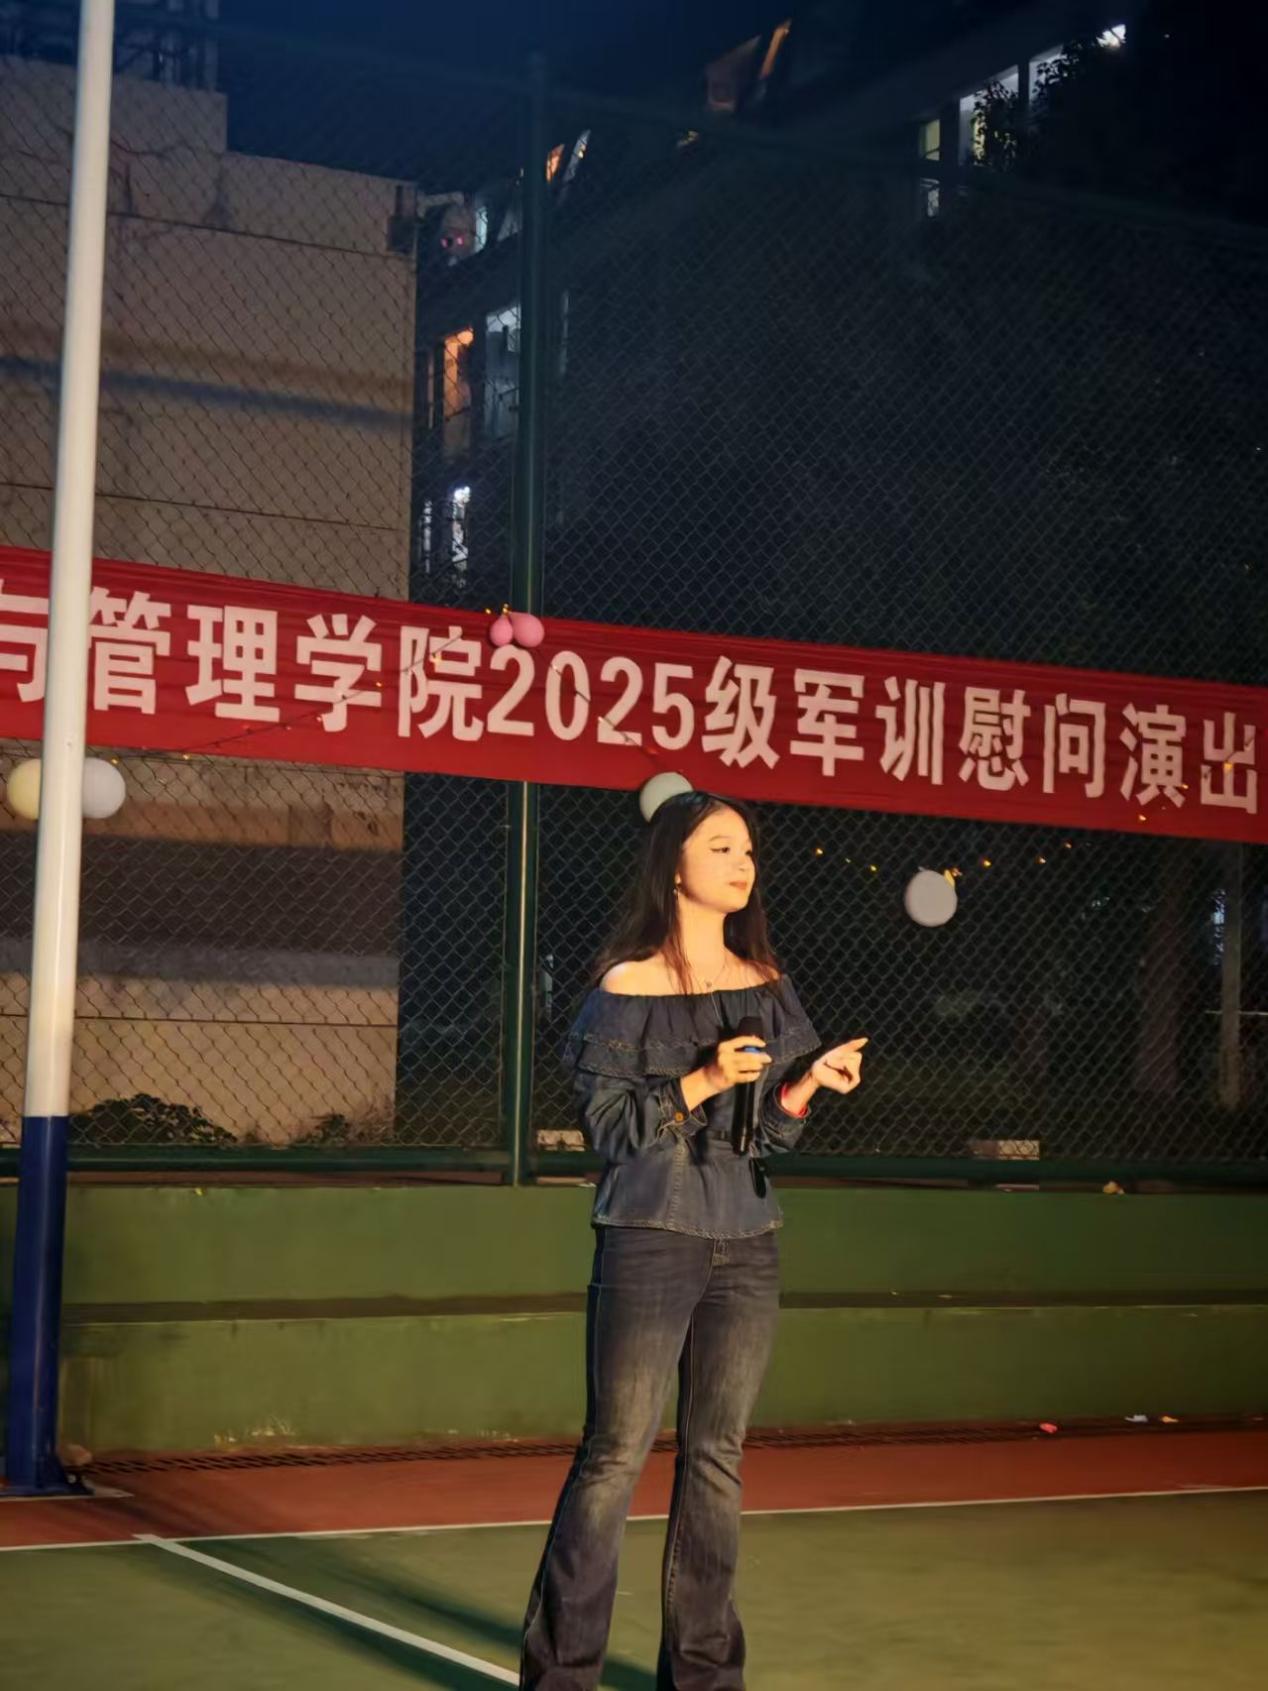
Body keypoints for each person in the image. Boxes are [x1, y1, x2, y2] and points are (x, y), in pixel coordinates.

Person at [521, 790, 868, 1690]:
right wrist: (702, 1079)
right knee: (613, 1456)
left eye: (747, 849)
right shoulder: (624, 986)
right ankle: (561, 1673)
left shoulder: (765, 981)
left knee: (717, 1458)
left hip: (747, 1238)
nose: (741, 863)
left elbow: (769, 1134)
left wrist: (807, 1087)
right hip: (649, 1234)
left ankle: (706, 1673)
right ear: (673, 867)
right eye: (720, 847)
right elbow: (609, 1128)